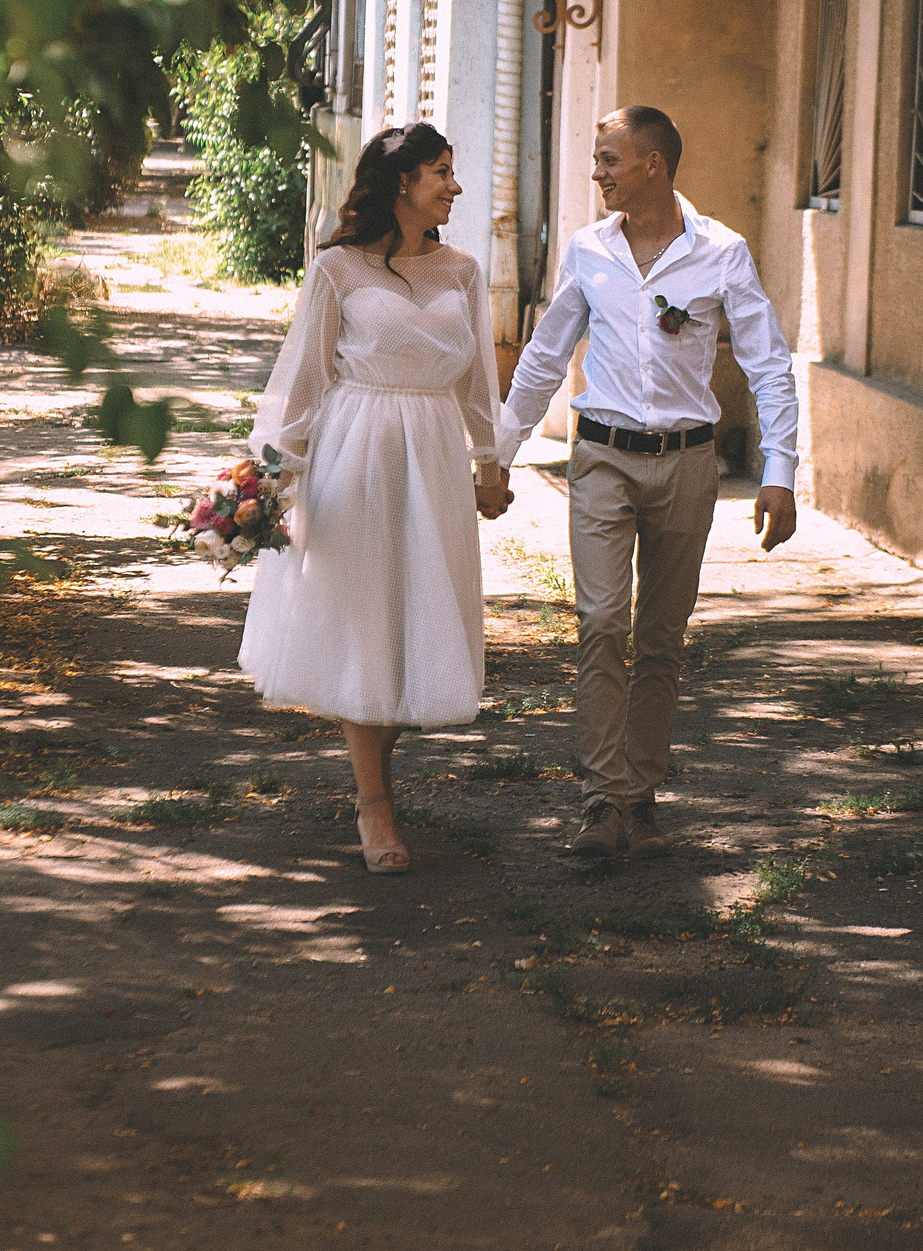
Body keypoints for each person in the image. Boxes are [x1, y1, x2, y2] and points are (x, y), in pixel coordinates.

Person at [498, 105, 799, 863]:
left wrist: (780, 471)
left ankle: (641, 791)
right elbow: (543, 356)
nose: (596, 173)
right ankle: (604, 799)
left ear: (653, 164)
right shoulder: (588, 251)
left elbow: (767, 362)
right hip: (600, 457)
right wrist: (497, 452)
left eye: (608, 159)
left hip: (689, 465)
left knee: (662, 638)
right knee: (602, 622)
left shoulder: (722, 252)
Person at [240, 122, 513, 874]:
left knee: (417, 614)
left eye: (452, 172)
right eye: (442, 172)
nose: (454, 186)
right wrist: (270, 480)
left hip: (432, 455)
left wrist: (491, 460)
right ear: (403, 182)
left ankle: (376, 774)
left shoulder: (461, 270)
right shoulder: (337, 270)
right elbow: (302, 380)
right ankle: (374, 806)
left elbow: (475, 381)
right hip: (357, 448)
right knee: (366, 616)